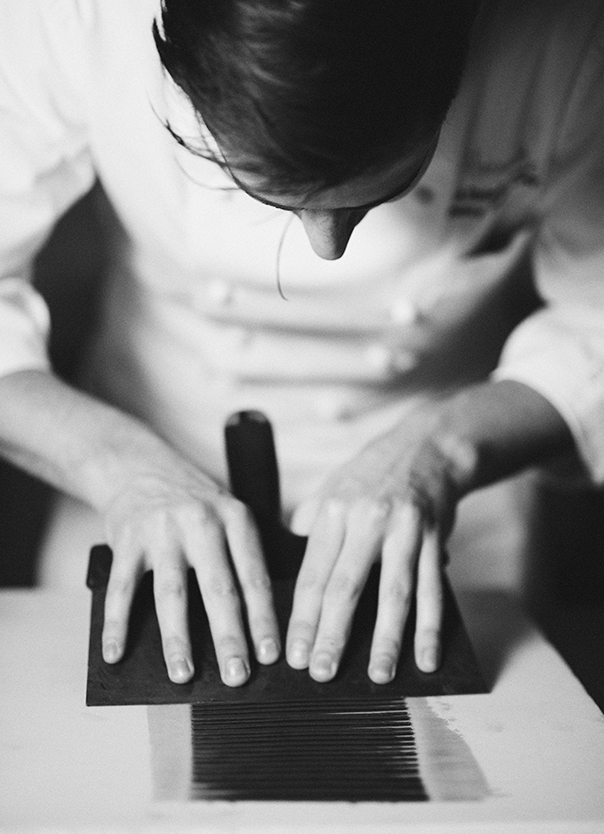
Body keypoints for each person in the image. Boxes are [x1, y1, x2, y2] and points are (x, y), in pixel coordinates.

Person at [0, 0, 602, 688]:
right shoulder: (74, 14)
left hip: (453, 474)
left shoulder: (571, 38)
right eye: (277, 199)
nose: (327, 248)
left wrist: (441, 450)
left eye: (374, 196)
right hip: (148, 435)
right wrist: (116, 464)